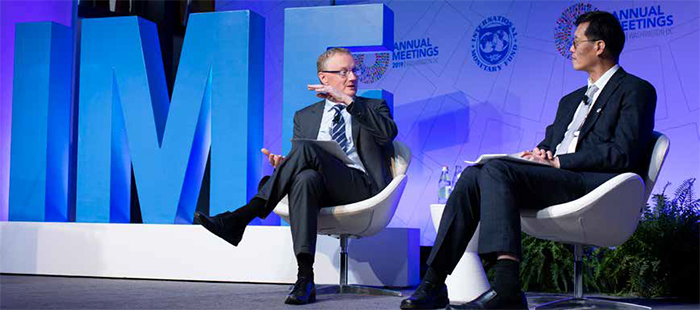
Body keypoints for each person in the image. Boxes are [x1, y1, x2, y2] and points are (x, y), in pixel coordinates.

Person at [400, 10, 656, 310]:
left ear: (599, 47)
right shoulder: (570, 101)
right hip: (557, 178)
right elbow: (551, 143)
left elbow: (623, 153)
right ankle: (433, 282)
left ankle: (506, 286)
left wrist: (561, 162)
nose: (570, 49)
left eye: (576, 42)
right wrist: (540, 154)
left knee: (496, 170)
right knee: (475, 174)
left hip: (593, 184)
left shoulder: (635, 90)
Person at [195, 47, 397, 305]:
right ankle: (305, 277)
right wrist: (285, 164)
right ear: (324, 78)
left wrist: (348, 102)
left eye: (354, 70)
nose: (353, 77)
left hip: (362, 187)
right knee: (304, 179)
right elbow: (306, 159)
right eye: (343, 72)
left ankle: (243, 216)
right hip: (321, 186)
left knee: (304, 150)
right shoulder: (305, 115)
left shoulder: (373, 106)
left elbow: (387, 134)